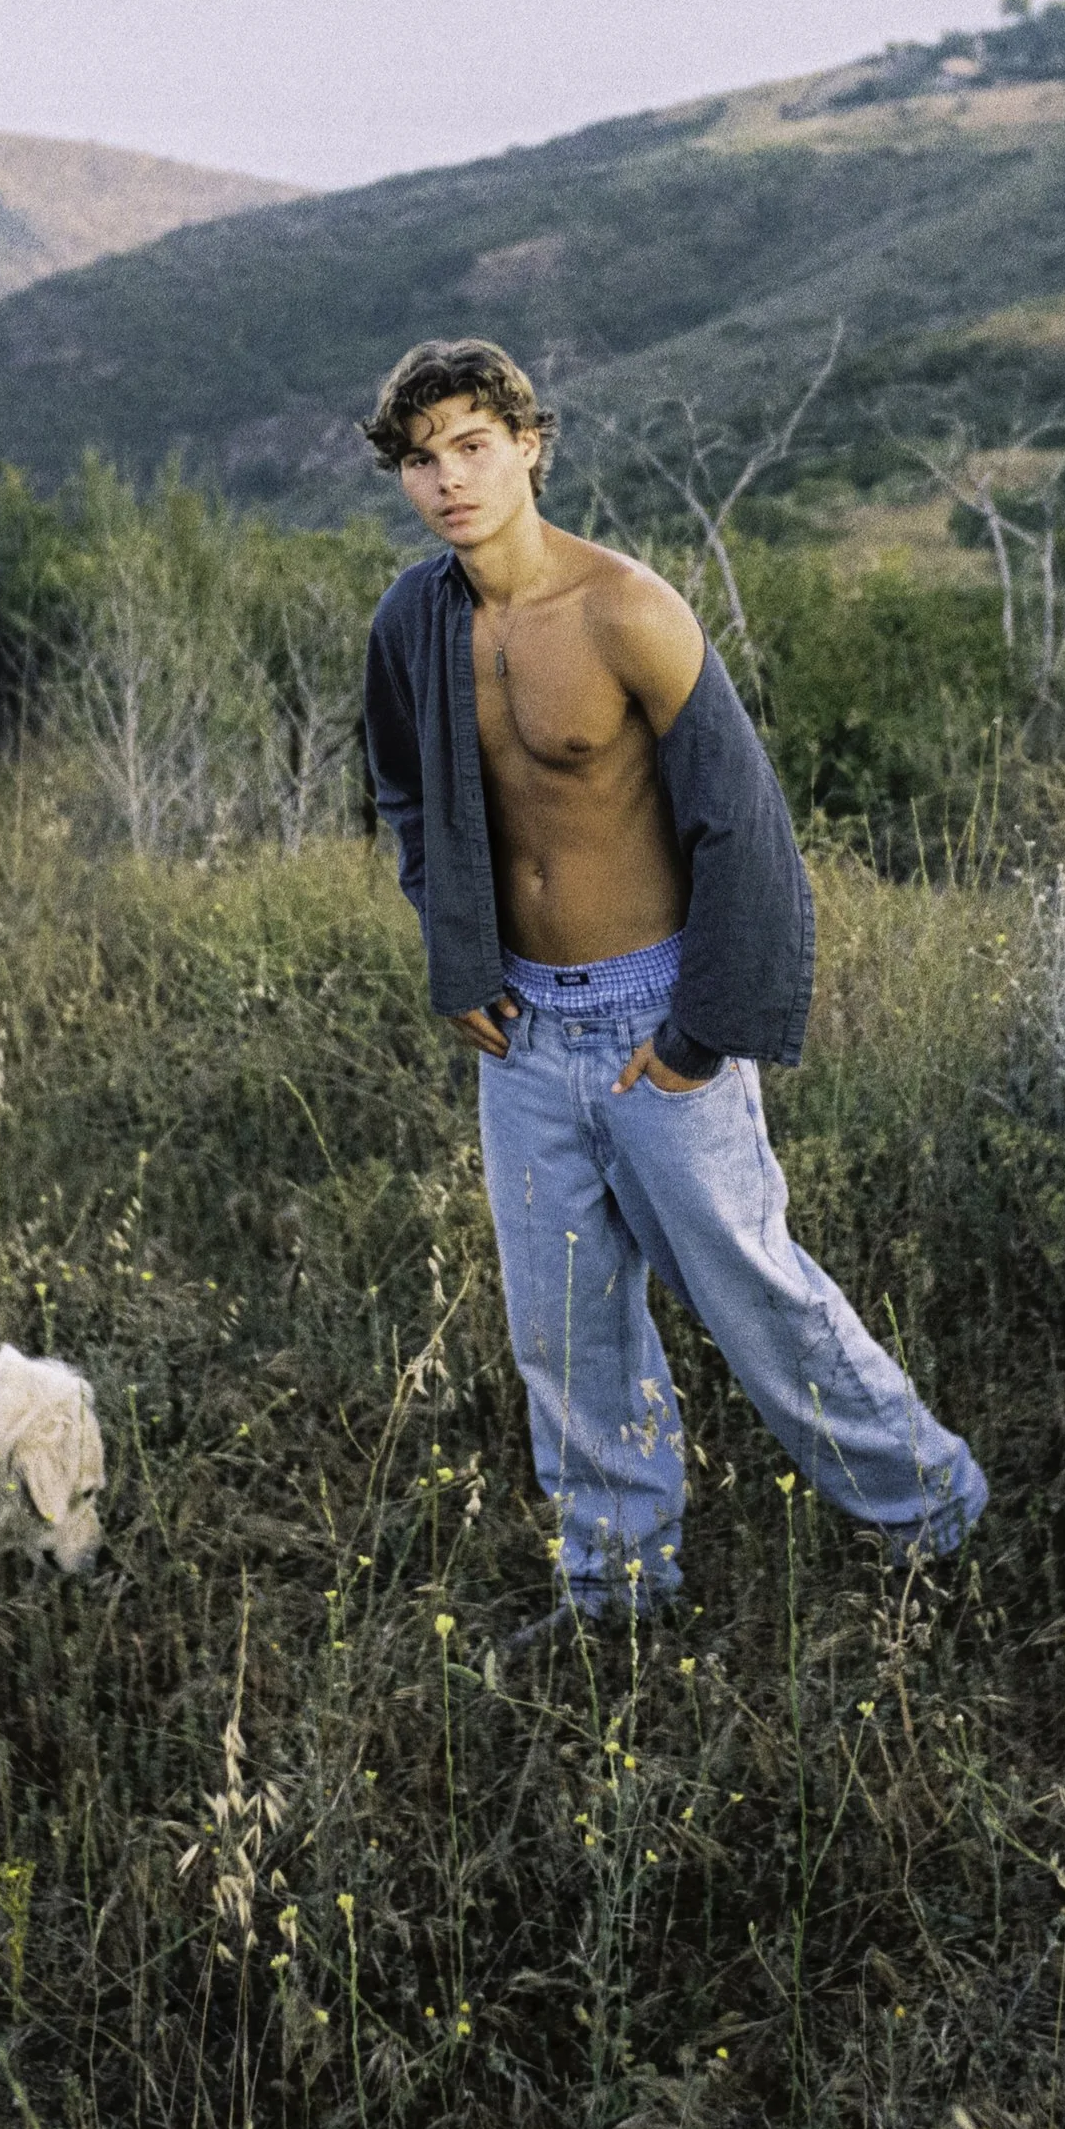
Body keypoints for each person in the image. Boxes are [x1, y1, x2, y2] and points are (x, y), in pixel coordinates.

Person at [359, 336, 985, 1641]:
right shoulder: (413, 625)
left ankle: (940, 1523)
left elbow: (743, 834)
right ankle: (618, 1597)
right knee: (567, 1334)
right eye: (423, 460)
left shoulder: (625, 610)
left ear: (529, 446)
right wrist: (454, 954)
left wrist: (703, 1037)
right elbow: (409, 795)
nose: (448, 479)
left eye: (473, 446)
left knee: (756, 1298)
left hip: (658, 1023)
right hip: (520, 1033)